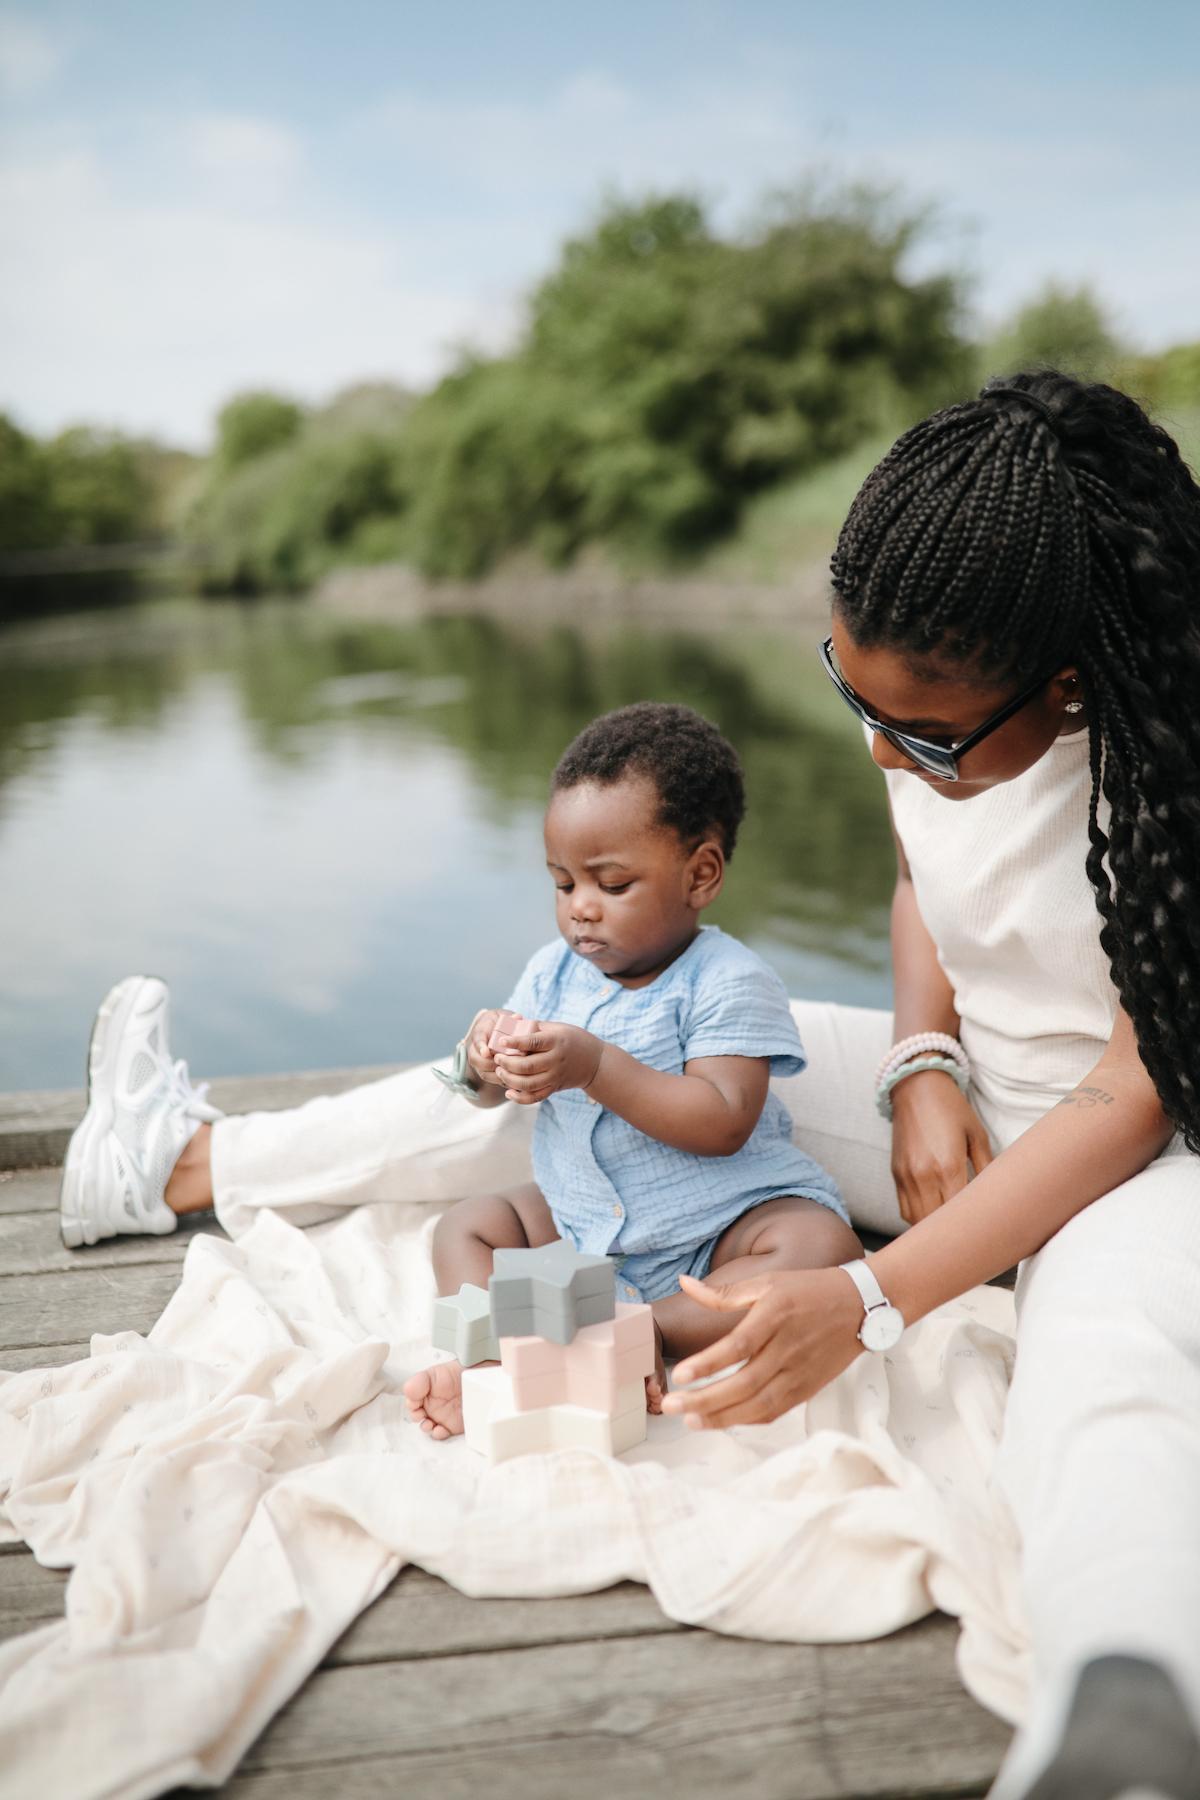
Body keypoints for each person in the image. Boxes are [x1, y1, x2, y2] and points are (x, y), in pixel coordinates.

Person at [657, 372, 1200, 1799]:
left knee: (1101, 1387)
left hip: (1134, 1167)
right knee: (636, 1045)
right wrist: (918, 1062)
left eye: (929, 735)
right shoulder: (921, 685)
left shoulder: (1171, 766)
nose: (885, 749)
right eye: (856, 699)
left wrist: (872, 1298)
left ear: (1069, 682)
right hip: (964, 1102)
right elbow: (920, 875)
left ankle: (1123, 1722)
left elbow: (1136, 1092)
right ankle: (189, 1160)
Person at [401, 702, 858, 1438]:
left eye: (611, 886)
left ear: (699, 874)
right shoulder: (553, 975)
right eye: (562, 883)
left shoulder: (727, 979)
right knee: (467, 1227)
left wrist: (595, 1065)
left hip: (717, 1225)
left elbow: (722, 1121)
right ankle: (493, 1364)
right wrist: (485, 1062)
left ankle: (649, 1334)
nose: (581, 909)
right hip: (586, 1214)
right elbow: (491, 1094)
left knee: (819, 1248)